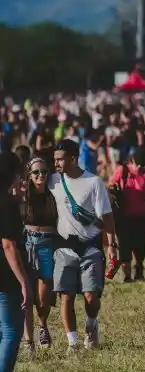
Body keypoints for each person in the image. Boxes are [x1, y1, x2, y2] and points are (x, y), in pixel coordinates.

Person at [49, 139, 117, 351]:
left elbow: (106, 217)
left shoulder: (94, 182)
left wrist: (112, 245)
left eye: (60, 159)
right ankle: (73, 343)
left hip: (90, 247)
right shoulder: (53, 180)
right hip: (64, 247)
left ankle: (91, 324)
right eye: (55, 160)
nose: (57, 164)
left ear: (73, 158)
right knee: (65, 296)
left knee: (91, 297)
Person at [20, 156, 58, 351]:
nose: (41, 175)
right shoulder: (24, 197)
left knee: (43, 297)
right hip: (27, 244)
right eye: (36, 172)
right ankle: (28, 341)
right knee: (26, 293)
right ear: (29, 175)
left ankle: (42, 326)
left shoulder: (54, 194)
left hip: (48, 245)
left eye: (44, 172)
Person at [0, 151, 29, 370]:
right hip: (5, 275)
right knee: (11, 331)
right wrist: (23, 282)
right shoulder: (6, 205)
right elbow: (9, 246)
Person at [109, 151, 145, 282]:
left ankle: (139, 266)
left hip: (141, 215)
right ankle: (127, 275)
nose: (139, 167)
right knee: (124, 245)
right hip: (123, 215)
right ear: (132, 161)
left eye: (143, 165)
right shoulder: (122, 171)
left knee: (139, 245)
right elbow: (110, 186)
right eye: (137, 164)